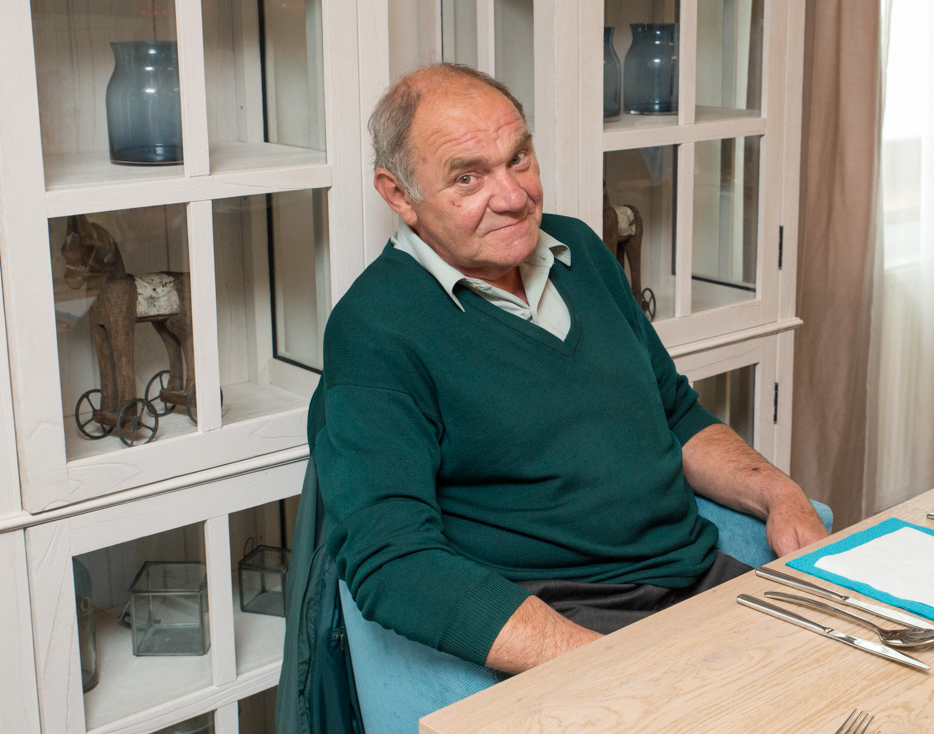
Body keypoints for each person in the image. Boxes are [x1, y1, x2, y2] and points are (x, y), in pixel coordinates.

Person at [310, 63, 828, 677]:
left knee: (864, 677)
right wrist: (604, 665)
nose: (513, 197)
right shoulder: (374, 329)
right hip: (567, 615)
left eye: (518, 158)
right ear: (399, 194)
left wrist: (781, 495)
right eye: (468, 177)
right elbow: (394, 564)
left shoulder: (579, 249)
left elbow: (674, 413)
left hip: (695, 574)